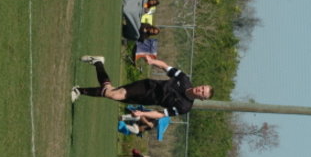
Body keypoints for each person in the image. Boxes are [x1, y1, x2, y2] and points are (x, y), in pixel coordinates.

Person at [71, 55, 214, 119]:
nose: (200, 90)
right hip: (147, 86)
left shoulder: (185, 107)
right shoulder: (184, 79)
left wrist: (142, 114)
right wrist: (152, 62)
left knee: (110, 91)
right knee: (114, 94)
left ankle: (98, 62)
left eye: (202, 93)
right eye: (202, 88)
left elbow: (161, 114)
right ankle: (78, 90)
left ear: (201, 98)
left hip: (147, 100)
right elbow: (165, 67)